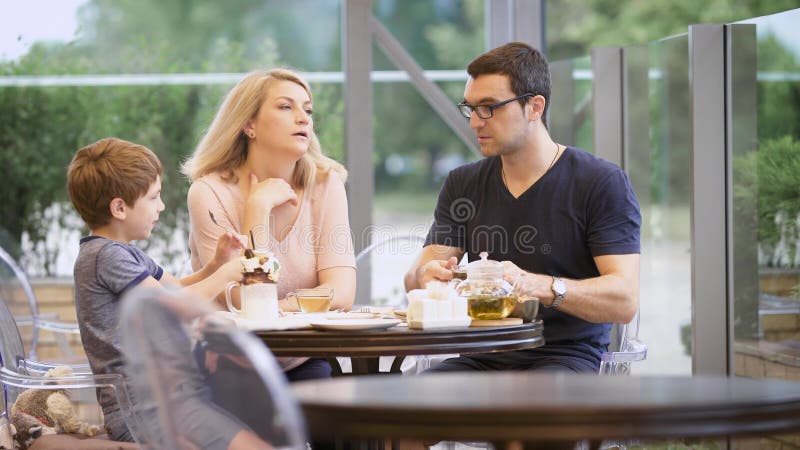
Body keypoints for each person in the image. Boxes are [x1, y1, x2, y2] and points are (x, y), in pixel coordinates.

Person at [404, 42, 641, 373]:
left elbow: (625, 300)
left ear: (535, 107)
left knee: (527, 411)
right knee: (407, 404)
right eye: (470, 108)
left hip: (564, 358)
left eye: (489, 107)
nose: (475, 122)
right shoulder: (463, 183)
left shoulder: (600, 182)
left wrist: (540, 285)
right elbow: (416, 280)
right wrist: (426, 277)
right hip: (479, 355)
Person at [67, 137, 254, 448]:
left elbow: (176, 290)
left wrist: (218, 263)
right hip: (143, 410)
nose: (162, 206)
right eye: (154, 198)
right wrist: (227, 275)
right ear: (119, 208)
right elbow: (173, 308)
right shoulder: (106, 257)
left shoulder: (124, 252)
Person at [182, 68, 356, 381]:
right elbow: (243, 300)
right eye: (286, 107)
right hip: (228, 361)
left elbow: (341, 293)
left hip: (302, 358)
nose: (303, 118)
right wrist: (257, 209)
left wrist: (278, 308)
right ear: (249, 124)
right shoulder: (209, 193)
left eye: (308, 109)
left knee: (326, 420)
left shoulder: (326, 183)